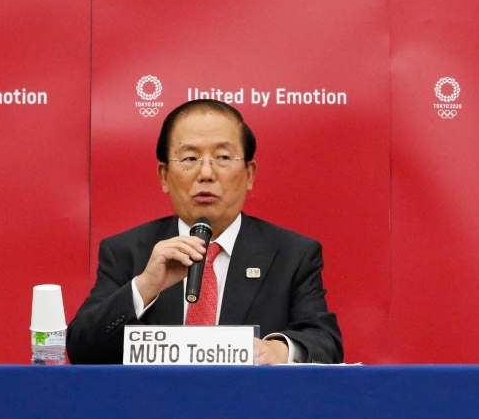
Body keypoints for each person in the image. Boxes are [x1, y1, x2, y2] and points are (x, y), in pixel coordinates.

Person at [67, 100, 343, 364]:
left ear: (249, 174)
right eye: (190, 158)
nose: (207, 172)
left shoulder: (292, 254)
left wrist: (279, 349)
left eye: (223, 157)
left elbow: (325, 343)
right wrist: (145, 287)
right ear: (164, 176)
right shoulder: (127, 251)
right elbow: (81, 349)